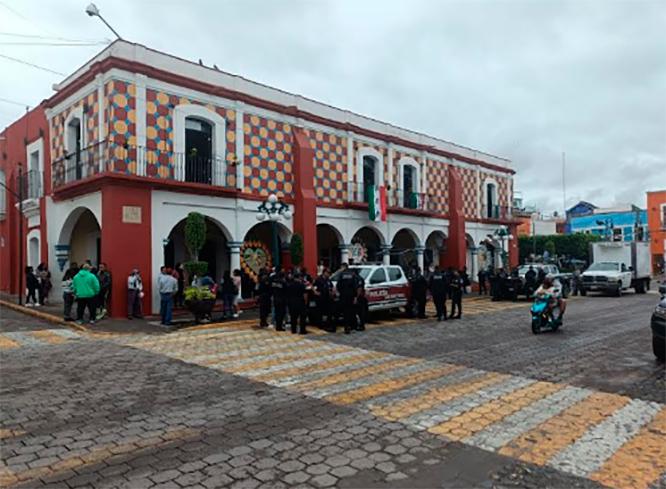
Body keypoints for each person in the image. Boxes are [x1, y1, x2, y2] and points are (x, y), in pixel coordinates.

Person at [336, 263, 361, 334]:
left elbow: (338, 285)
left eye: (341, 267)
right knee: (350, 312)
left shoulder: (341, 275)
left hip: (343, 296)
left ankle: (346, 327)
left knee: (345, 312)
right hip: (351, 296)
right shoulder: (353, 274)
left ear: (344, 267)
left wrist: (340, 293)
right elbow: (355, 286)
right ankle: (351, 326)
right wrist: (355, 297)